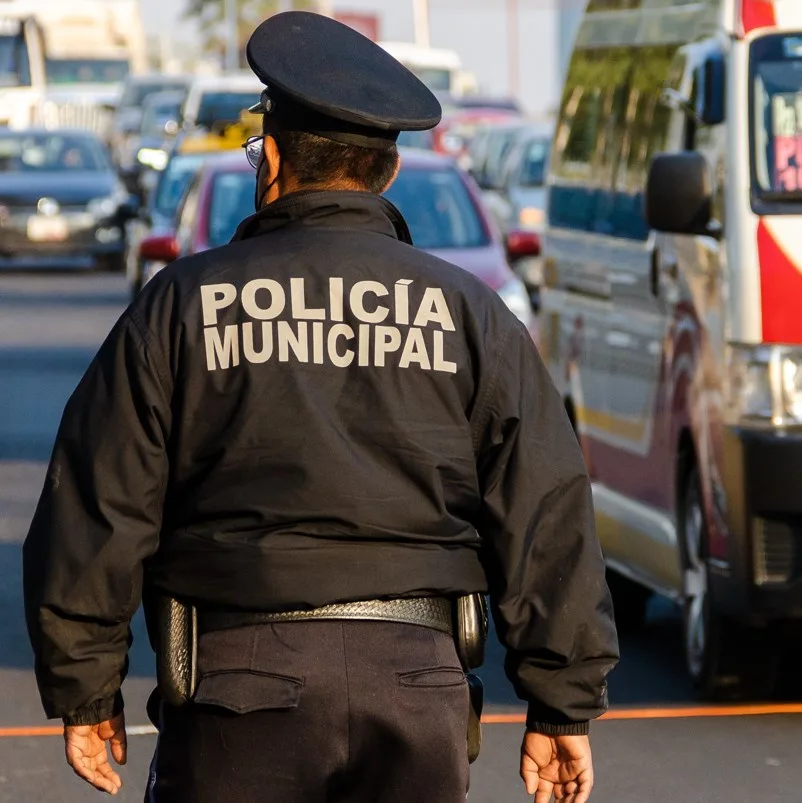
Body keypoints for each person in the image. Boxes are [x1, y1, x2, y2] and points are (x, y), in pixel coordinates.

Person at [23, 11, 619, 803]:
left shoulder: (183, 306)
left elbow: (99, 502)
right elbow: (545, 505)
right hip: (418, 689)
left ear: (270, 159)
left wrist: (87, 690)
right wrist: (561, 702)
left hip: (237, 686)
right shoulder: (471, 314)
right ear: (389, 173)